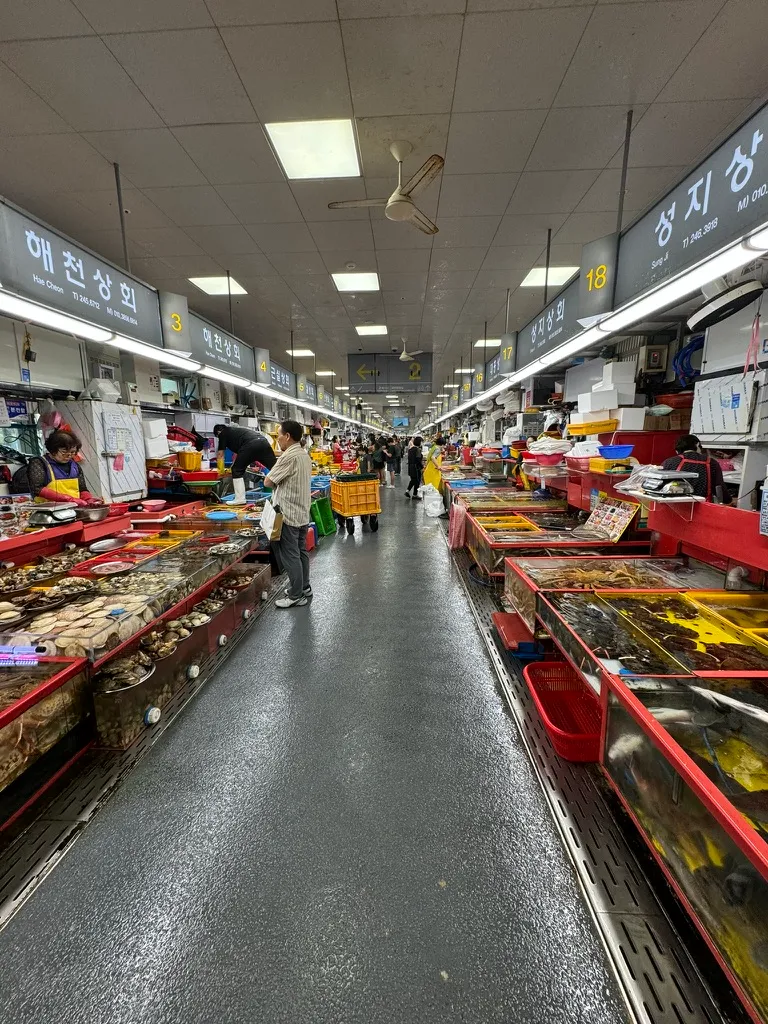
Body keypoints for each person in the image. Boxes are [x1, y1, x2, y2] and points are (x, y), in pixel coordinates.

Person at [265, 420, 313, 609]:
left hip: (288, 514)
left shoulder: (288, 456)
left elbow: (268, 482)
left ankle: (296, 595)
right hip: (301, 512)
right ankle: (304, 587)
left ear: (287, 436)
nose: (278, 440)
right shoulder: (304, 454)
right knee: (301, 552)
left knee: (290, 555)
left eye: (278, 436)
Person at [15, 429, 97, 505]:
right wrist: (68, 499)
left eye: (72, 452)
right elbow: (37, 489)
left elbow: (82, 488)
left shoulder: (74, 465)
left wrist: (88, 499)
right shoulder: (39, 463)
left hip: (73, 509)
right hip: (48, 512)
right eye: (64, 452)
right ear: (53, 450)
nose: (68, 456)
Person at [213, 424, 276, 505]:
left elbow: (220, 454)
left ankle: (240, 499)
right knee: (276, 469)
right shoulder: (236, 432)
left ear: (218, 432)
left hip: (251, 445)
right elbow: (240, 455)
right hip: (263, 442)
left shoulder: (223, 434)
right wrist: (234, 465)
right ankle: (282, 494)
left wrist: (220, 470)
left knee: (236, 470)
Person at [662, 434, 732, 504]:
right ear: (697, 444)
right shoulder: (712, 463)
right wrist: (728, 500)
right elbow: (719, 489)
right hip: (702, 507)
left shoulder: (669, 462)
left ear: (677, 450)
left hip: (674, 506)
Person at [405, 435, 424, 500]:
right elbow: (418, 459)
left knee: (413, 479)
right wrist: (422, 467)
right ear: (419, 442)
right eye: (421, 442)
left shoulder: (410, 449)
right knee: (417, 481)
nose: (422, 443)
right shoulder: (418, 450)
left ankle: (409, 491)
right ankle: (414, 494)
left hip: (410, 466)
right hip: (416, 467)